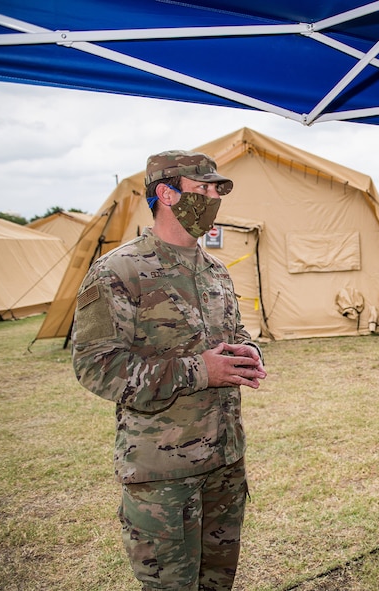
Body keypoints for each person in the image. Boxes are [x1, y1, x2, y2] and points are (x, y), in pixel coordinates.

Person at [72, 150, 267, 591]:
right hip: (163, 472)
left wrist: (248, 353)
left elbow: (235, 330)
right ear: (167, 193)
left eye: (219, 191)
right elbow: (95, 365)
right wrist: (200, 371)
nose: (215, 200)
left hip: (224, 460)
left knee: (218, 581)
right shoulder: (119, 270)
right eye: (205, 190)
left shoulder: (214, 270)